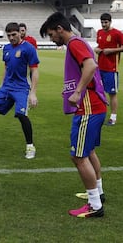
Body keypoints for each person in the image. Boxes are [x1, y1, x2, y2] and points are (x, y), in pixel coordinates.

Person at [40, 12, 107, 218]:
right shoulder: (79, 42)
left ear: (60, 29)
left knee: (78, 156)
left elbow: (91, 65)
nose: (52, 39)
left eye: (51, 35)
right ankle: (99, 193)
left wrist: (78, 92)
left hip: (88, 107)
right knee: (89, 152)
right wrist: (72, 90)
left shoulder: (74, 43)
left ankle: (95, 205)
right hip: (95, 106)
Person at [0, 22, 39, 160]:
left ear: (20, 33)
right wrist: (1, 85)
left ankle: (30, 146)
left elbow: (34, 70)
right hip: (6, 87)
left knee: (22, 115)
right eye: (9, 35)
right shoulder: (6, 48)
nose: (11, 38)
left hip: (22, 88)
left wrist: (33, 93)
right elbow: (6, 68)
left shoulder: (28, 48)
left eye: (14, 34)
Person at [94, 13, 123, 126]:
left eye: (106, 22)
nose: (103, 24)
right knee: (99, 92)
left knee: (112, 93)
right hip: (99, 68)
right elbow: (99, 45)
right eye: (102, 22)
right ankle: (99, 115)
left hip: (112, 68)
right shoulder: (99, 33)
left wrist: (111, 50)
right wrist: (97, 49)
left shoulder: (117, 33)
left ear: (110, 22)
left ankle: (113, 118)